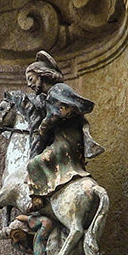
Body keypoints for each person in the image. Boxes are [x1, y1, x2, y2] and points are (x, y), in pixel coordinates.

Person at [24, 51, 104, 212]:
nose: (29, 85)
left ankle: (37, 198)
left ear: (41, 75)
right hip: (62, 139)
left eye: (31, 79)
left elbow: (64, 109)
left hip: (69, 139)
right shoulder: (48, 97)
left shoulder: (59, 89)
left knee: (34, 164)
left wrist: (45, 125)